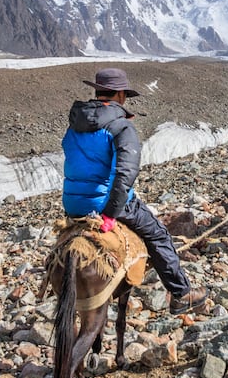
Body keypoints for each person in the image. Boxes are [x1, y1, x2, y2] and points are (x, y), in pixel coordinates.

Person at [62, 67, 208, 315]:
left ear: (98, 91)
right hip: (103, 205)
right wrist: (109, 215)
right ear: (120, 95)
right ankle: (181, 295)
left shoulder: (75, 124)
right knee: (159, 236)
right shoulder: (121, 127)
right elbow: (125, 174)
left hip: (73, 204)